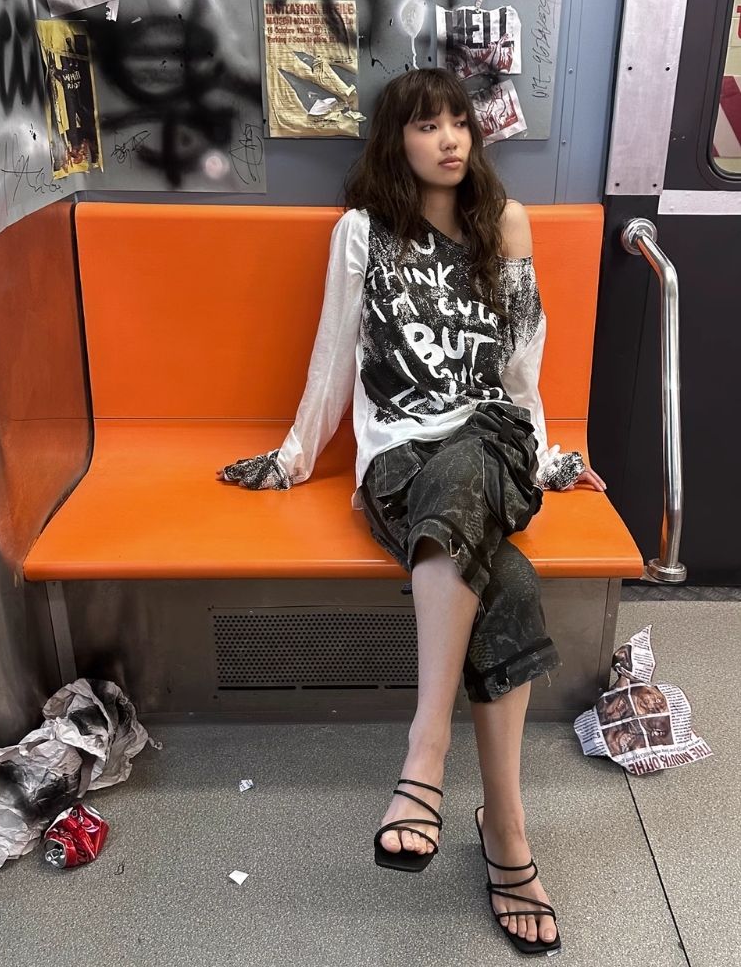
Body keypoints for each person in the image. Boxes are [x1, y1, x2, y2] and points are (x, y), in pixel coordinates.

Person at [217, 68, 606, 957]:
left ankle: (424, 754)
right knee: (510, 584)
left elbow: (521, 369)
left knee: (469, 460)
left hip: (492, 439)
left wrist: (546, 457)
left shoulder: (504, 226)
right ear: (396, 141)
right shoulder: (362, 233)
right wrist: (293, 459)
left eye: (459, 122)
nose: (449, 139)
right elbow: (332, 358)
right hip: (398, 455)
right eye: (426, 125)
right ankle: (505, 831)